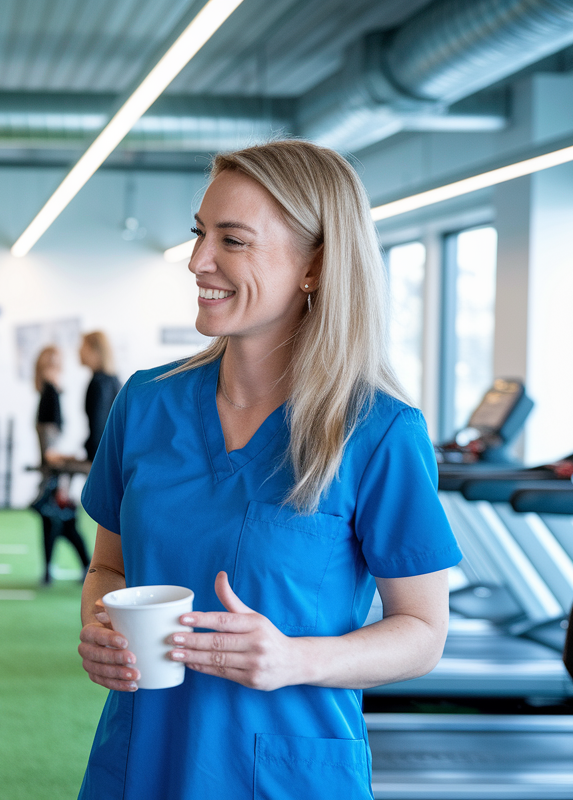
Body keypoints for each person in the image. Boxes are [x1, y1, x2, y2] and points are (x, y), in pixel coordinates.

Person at [76, 140, 461, 799]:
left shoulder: (378, 432)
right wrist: (97, 624)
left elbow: (423, 634)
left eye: (233, 240)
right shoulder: (145, 403)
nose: (198, 261)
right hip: (140, 763)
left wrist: (294, 659)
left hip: (286, 775)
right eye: (200, 234)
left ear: (314, 265)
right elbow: (108, 569)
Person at [31, 345, 89, 585]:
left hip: (55, 474)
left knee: (60, 521)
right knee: (59, 520)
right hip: (55, 474)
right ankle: (56, 568)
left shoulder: (50, 393)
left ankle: (74, 566)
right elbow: (51, 447)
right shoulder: (50, 393)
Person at [78, 331, 120, 463]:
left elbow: (98, 427)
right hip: (113, 454)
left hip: (102, 458)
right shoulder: (113, 380)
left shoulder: (98, 383)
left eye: (83, 347)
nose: (78, 351)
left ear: (95, 351)